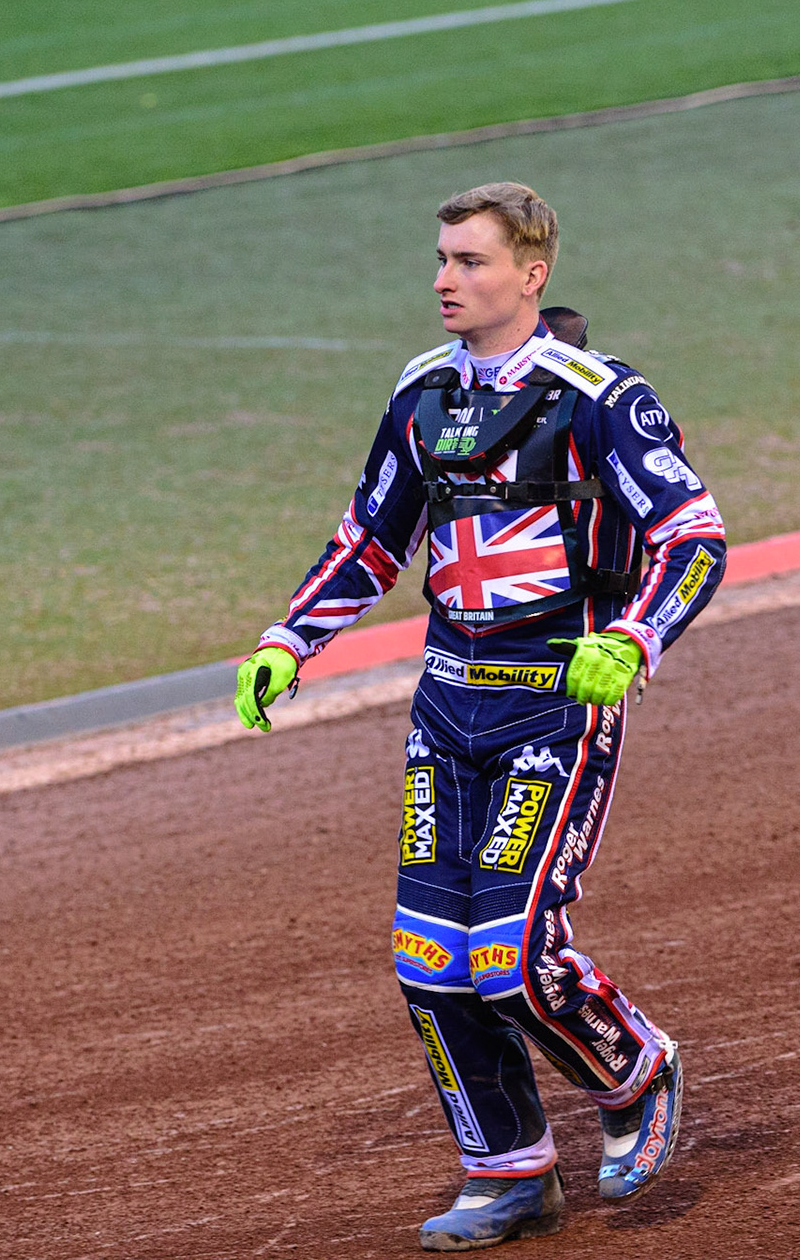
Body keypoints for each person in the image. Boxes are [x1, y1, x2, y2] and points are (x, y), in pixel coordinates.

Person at [234, 182, 726, 1250]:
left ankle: (635, 1066)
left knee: (513, 951)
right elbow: (370, 539)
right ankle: (507, 1172)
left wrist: (635, 636)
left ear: (531, 274)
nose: (444, 279)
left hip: (557, 702)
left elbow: (696, 538)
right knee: (429, 959)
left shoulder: (600, 396)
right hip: (447, 703)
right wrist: (289, 640)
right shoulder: (419, 395)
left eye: (469, 261)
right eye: (442, 259)